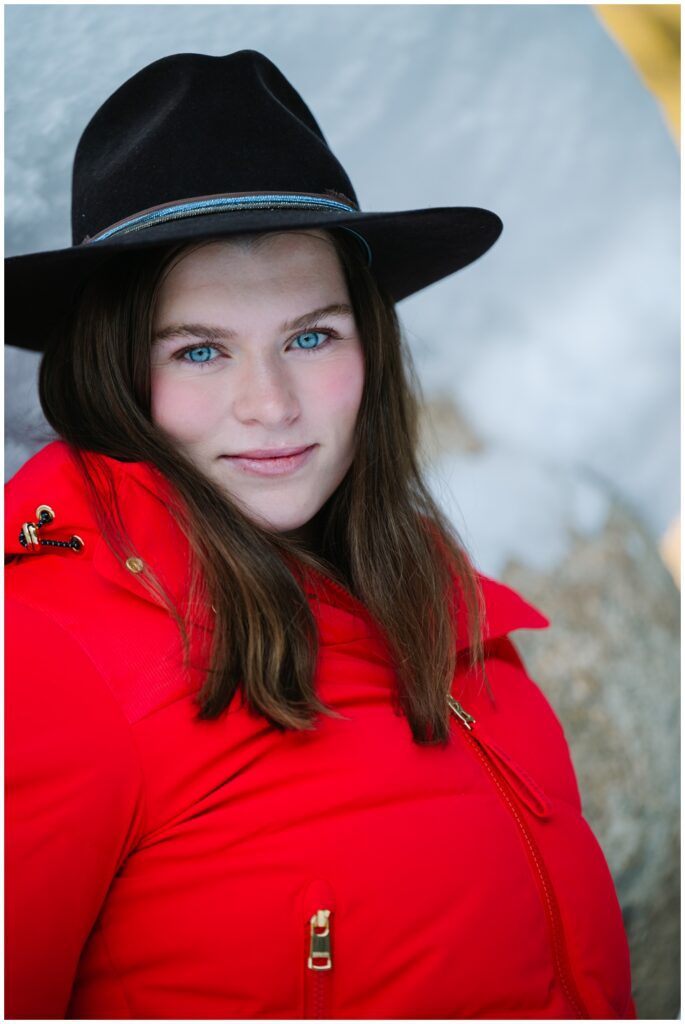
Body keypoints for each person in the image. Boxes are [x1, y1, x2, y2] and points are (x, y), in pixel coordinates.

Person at [5, 50, 635, 1020]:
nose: (271, 405)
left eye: (311, 335)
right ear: (118, 372)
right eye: (202, 349)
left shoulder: (433, 599)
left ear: (369, 347)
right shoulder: (52, 653)